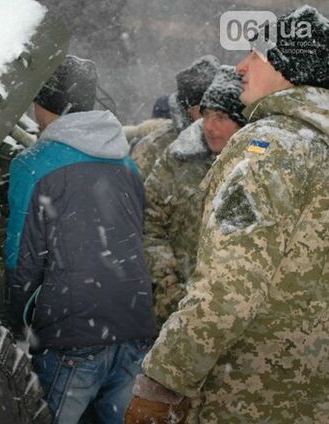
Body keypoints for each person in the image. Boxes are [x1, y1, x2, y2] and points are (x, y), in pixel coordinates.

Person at [125, 5, 329, 423]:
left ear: (287, 66)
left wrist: (162, 380)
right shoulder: (317, 145)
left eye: (256, 54)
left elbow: (230, 288)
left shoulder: (269, 149)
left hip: (252, 393)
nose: (240, 66)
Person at [4, 55, 157, 424]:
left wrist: (16, 328)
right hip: (134, 327)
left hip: (73, 335)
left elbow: (21, 261)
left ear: (42, 104)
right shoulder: (126, 163)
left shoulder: (32, 165)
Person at [143, 65, 246, 324]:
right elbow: (148, 226)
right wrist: (170, 290)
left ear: (243, 121)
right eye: (206, 115)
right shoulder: (177, 161)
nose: (209, 126)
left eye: (221, 117)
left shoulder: (261, 167)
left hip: (239, 319)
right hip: (173, 312)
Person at [130, 55, 220, 179]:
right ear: (188, 110)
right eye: (205, 112)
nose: (212, 121)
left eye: (220, 113)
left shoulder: (235, 137)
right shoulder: (154, 148)